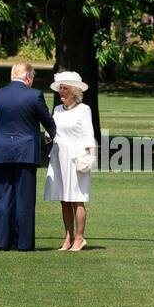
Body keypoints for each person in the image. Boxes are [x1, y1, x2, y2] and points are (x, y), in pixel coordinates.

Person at [0, 62, 54, 251]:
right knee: (25, 199)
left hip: (2, 152)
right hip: (25, 152)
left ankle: (4, 242)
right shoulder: (34, 95)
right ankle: (24, 243)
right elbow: (48, 122)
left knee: (3, 198)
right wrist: (52, 136)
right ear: (28, 77)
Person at [44, 71, 95, 251]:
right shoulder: (57, 109)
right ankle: (68, 237)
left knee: (76, 199)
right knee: (63, 199)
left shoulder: (84, 109)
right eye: (60, 88)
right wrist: (47, 137)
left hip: (76, 158)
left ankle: (80, 238)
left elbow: (89, 136)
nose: (61, 92)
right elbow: (52, 130)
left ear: (74, 91)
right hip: (59, 157)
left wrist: (91, 157)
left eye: (64, 88)